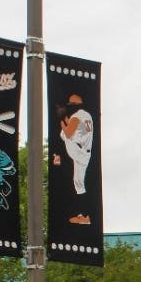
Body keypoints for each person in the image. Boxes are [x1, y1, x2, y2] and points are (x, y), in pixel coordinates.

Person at [52, 93, 94, 225]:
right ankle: (84, 216)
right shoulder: (86, 115)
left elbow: (68, 133)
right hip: (84, 150)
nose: (68, 107)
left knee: (64, 135)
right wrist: (66, 121)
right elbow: (76, 131)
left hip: (79, 150)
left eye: (70, 105)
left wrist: (62, 121)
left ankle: (85, 216)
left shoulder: (76, 116)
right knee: (78, 183)